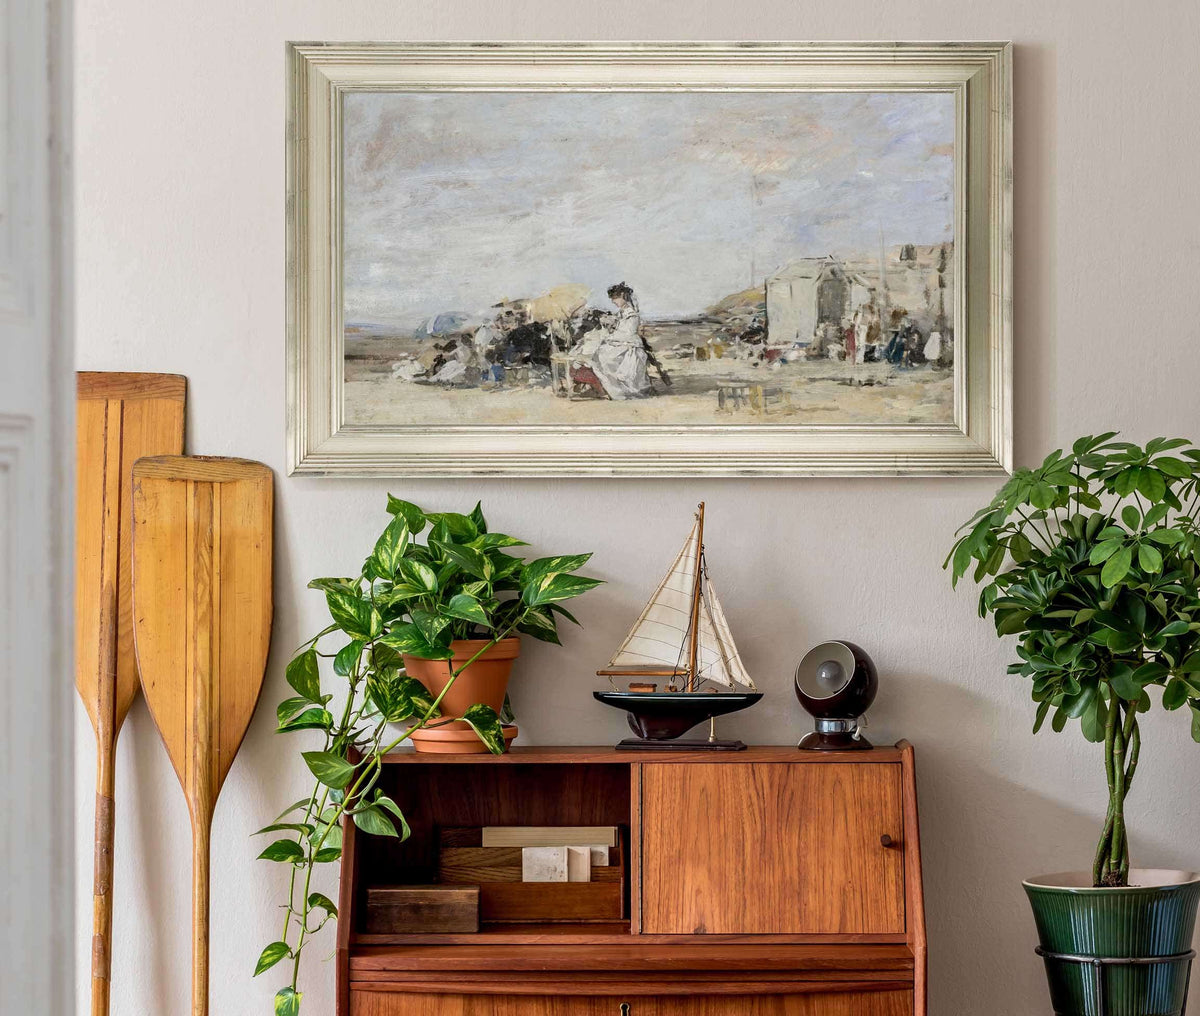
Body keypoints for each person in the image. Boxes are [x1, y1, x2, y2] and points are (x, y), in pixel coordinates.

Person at [588, 282, 651, 399]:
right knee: (599, 353)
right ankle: (611, 389)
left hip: (630, 346)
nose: (613, 301)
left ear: (623, 296)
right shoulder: (622, 312)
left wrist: (609, 337)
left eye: (615, 298)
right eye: (612, 298)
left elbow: (628, 333)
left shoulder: (631, 314)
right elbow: (618, 328)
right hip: (622, 342)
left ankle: (620, 390)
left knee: (604, 357)